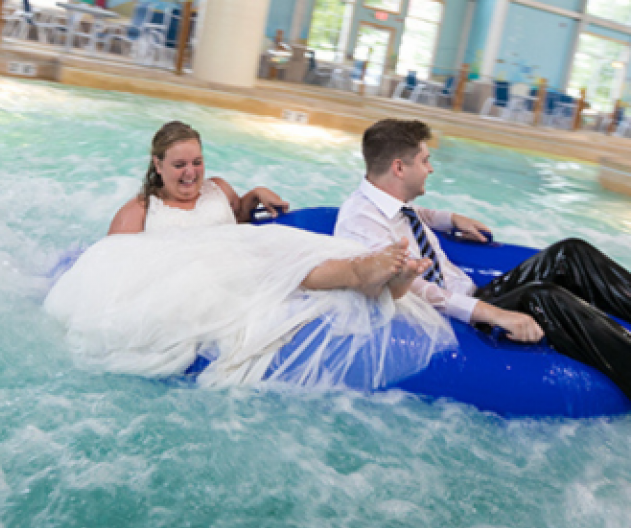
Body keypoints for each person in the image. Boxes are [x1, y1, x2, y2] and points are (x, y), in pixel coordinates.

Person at [45, 121, 456, 389]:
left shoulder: (218, 189)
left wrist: (254, 195)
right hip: (194, 284)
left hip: (239, 262)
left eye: (197, 162)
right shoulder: (137, 212)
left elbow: (238, 221)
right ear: (157, 165)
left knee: (273, 248)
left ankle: (369, 275)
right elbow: (113, 272)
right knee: (262, 259)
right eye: (179, 165)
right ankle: (359, 273)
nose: (191, 173)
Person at [335, 118, 631, 399]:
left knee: (570, 252)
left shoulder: (390, 203)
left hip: (472, 295)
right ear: (399, 168)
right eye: (425, 161)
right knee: (543, 297)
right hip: (447, 321)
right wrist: (493, 313)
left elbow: (412, 215)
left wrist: (450, 219)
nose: (431, 169)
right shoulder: (360, 223)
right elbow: (411, 291)